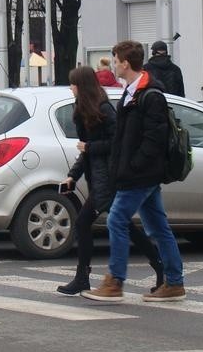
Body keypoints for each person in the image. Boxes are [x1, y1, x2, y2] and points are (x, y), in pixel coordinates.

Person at [82, 40, 185, 303]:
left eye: (115, 60)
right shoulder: (132, 92)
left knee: (117, 219)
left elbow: (154, 138)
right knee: (158, 227)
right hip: (137, 173)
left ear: (125, 63)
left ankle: (115, 281)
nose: (114, 64)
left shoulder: (150, 95)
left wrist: (133, 166)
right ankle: (174, 282)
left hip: (141, 174)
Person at [57, 66, 164, 295]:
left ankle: (83, 278)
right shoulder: (82, 110)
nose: (70, 88)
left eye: (73, 84)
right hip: (97, 178)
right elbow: (85, 151)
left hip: (109, 179)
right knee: (126, 226)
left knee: (83, 223)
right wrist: (72, 176)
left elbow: (117, 143)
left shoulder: (104, 109)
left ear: (82, 86)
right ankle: (160, 267)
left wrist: (91, 147)